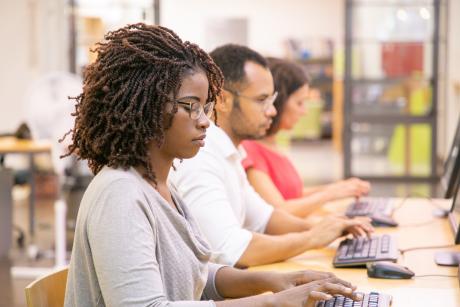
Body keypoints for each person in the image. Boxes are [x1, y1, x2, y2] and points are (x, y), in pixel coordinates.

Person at [62, 23, 363, 307]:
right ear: (149, 108)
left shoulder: (159, 184)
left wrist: (277, 281)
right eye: (190, 107)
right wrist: (273, 301)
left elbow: (195, 275)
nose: (205, 121)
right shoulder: (121, 194)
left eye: (204, 107)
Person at [170, 44, 373, 268]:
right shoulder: (202, 158)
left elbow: (265, 218)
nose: (272, 111)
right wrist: (312, 238)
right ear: (223, 100)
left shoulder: (230, 153)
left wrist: (330, 226)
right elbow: (231, 250)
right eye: (261, 100)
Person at [241, 58, 371, 218]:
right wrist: (330, 194)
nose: (305, 111)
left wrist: (338, 189)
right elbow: (279, 211)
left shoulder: (272, 144)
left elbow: (292, 195)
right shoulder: (250, 150)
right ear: (278, 102)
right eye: (299, 103)